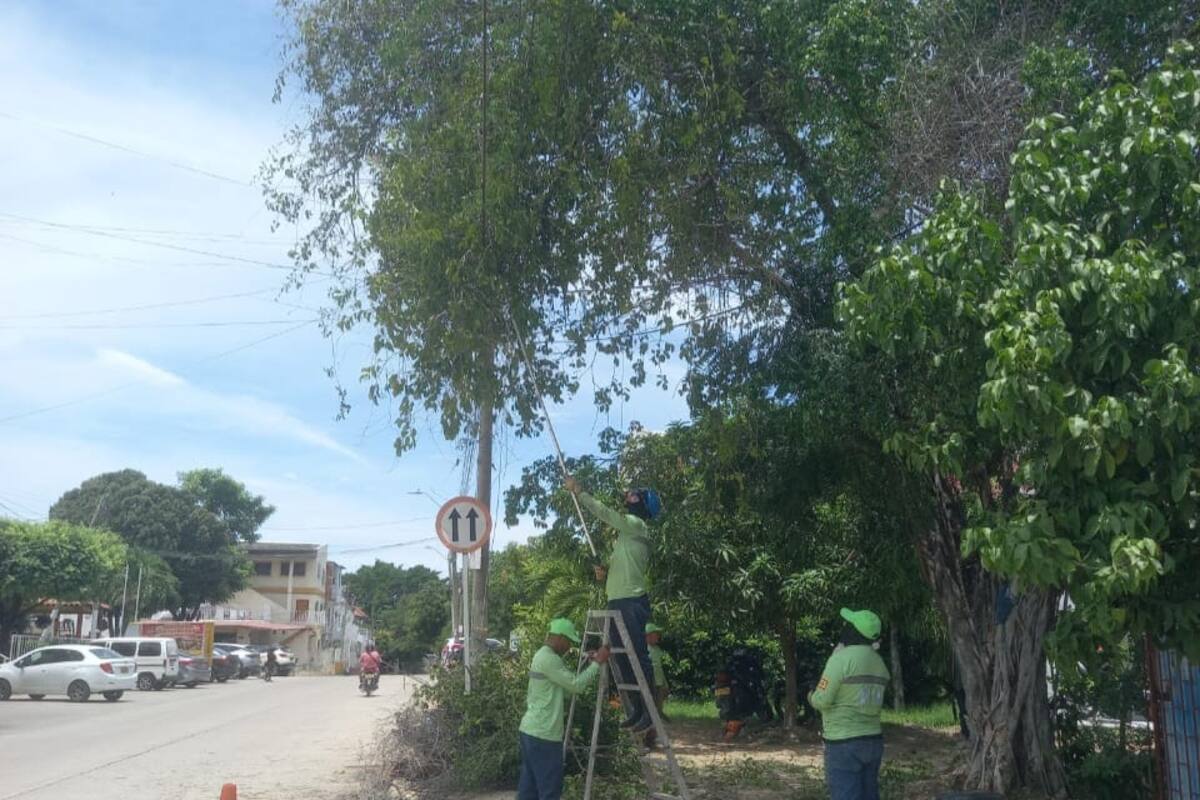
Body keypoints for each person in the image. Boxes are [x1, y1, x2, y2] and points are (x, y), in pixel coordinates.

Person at [565, 475, 659, 733]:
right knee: (622, 658)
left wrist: (580, 492)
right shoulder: (627, 537)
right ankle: (637, 710)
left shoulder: (636, 524)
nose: (628, 496)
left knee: (637, 657)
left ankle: (650, 713)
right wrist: (605, 572)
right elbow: (624, 567)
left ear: (644, 506)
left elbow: (605, 513)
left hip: (632, 600)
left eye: (634, 495)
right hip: (618, 599)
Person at [518, 618, 610, 800]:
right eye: (568, 641)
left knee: (529, 789)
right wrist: (597, 663)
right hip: (544, 734)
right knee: (550, 789)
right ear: (559, 638)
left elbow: (564, 691)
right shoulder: (550, 660)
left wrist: (587, 663)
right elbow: (576, 686)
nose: (569, 647)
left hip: (530, 732)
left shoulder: (542, 655)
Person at [808, 608, 890, 800]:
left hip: (843, 742)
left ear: (853, 631)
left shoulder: (840, 660)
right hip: (873, 740)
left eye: (848, 623)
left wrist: (810, 694)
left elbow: (822, 700)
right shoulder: (880, 663)